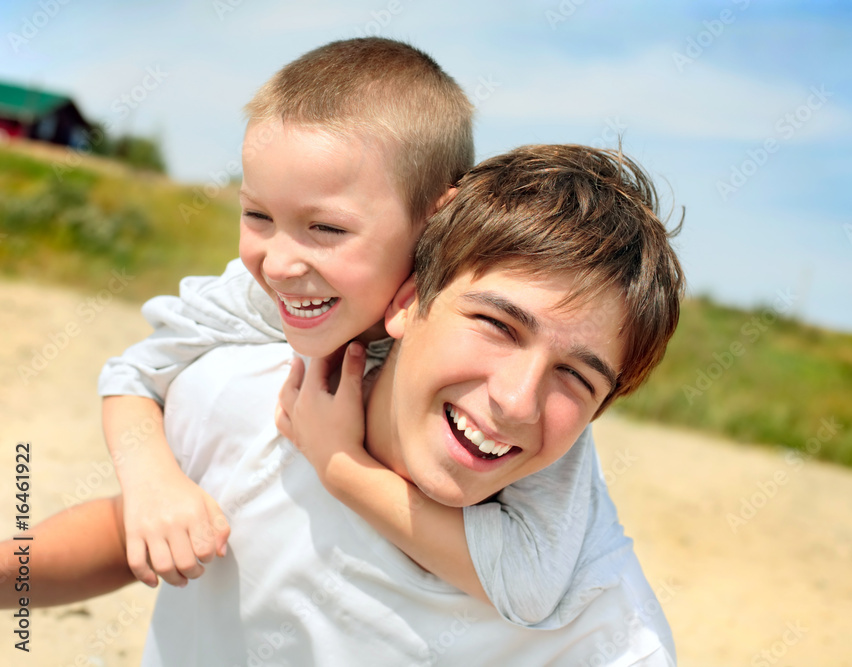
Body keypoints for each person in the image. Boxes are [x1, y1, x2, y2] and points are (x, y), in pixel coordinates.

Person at [1, 143, 683, 665]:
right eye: (498, 325)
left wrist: (340, 465)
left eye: (576, 377)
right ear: (408, 296)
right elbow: (134, 532)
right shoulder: (262, 395)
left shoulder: (603, 625)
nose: (515, 400)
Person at [97, 36, 628, 627]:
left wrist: (340, 465)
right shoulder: (261, 293)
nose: (278, 264)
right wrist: (151, 483)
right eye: (258, 216)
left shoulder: (507, 383)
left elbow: (530, 584)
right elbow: (135, 374)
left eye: (324, 228)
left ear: (437, 220)